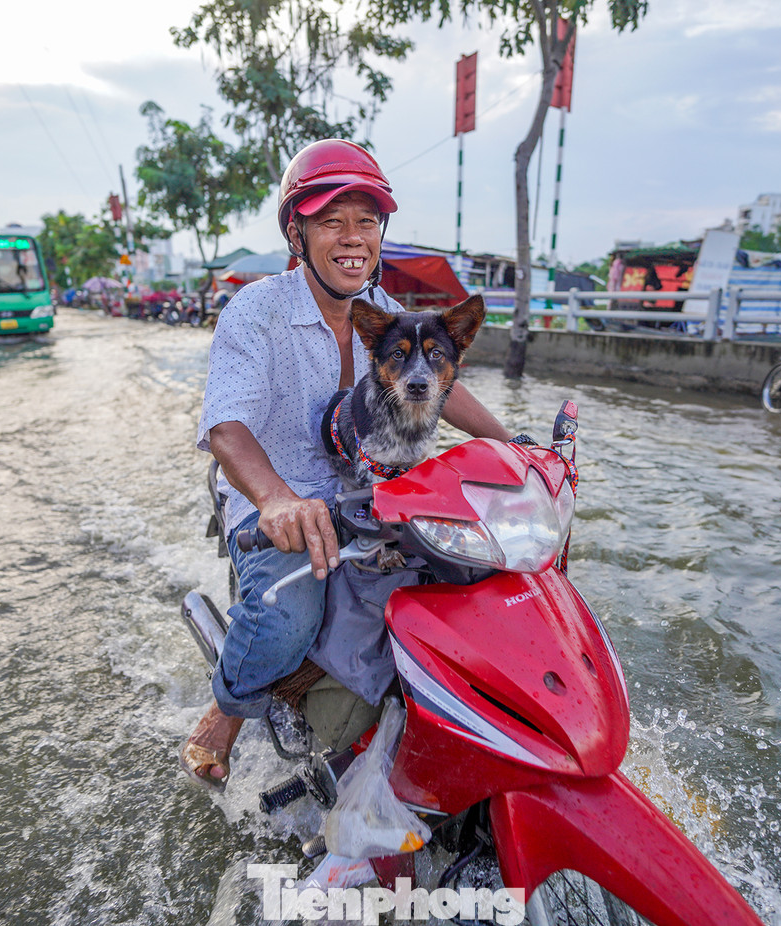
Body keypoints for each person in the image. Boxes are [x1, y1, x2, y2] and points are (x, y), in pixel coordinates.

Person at [182, 139, 512, 789]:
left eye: (366, 221)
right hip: (274, 498)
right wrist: (277, 498)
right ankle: (223, 714)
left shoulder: (387, 313)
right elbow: (226, 425)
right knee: (288, 615)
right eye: (332, 220)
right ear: (297, 233)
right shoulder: (257, 309)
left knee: (468, 584)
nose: (352, 237)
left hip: (368, 494)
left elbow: (444, 383)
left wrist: (515, 446)